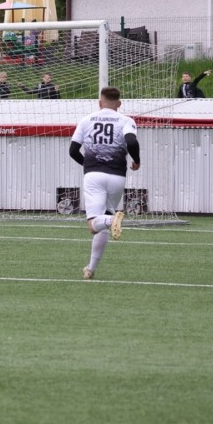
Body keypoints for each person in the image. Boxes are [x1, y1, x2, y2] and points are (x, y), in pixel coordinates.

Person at [69, 87, 140, 280]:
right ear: (119, 103)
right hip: (117, 176)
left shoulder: (86, 120)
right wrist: (137, 160)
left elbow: (73, 151)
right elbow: (132, 142)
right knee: (103, 217)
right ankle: (90, 268)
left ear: (100, 103)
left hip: (94, 175)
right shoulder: (126, 120)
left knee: (94, 225)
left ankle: (111, 220)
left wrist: (89, 165)